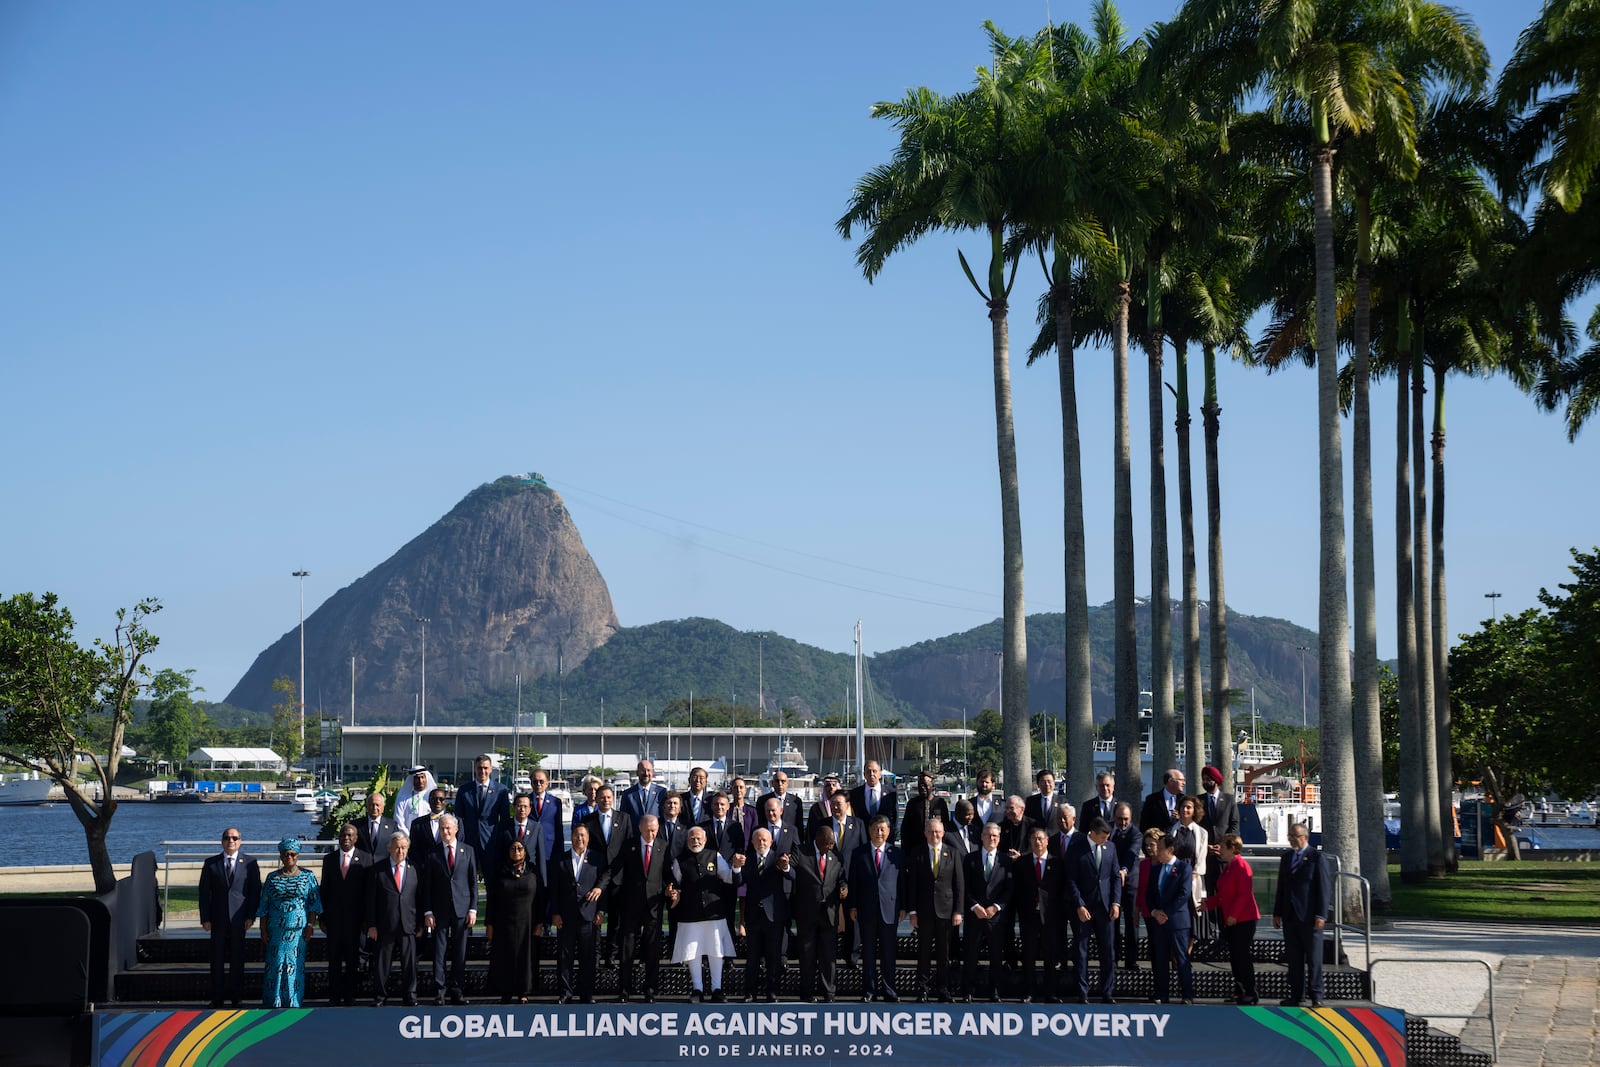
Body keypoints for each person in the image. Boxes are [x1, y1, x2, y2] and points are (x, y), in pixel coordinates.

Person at [670, 826, 736, 1003]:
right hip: (690, 913)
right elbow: (675, 883)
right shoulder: (679, 860)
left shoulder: (715, 856)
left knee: (716, 951)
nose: (695, 841)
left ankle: (717, 989)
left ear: (705, 840)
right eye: (692, 838)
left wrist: (736, 867)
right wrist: (673, 892)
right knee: (693, 952)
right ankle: (697, 989)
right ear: (687, 840)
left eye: (698, 838)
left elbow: (728, 877)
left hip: (714, 914)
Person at [198, 826, 261, 1008]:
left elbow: (254, 892)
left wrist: (251, 916)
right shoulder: (211, 863)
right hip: (217, 920)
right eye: (227, 838)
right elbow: (204, 892)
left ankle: (236, 997)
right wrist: (205, 918)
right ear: (222, 841)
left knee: (237, 959)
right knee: (216, 960)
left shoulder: (250, 863)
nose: (230, 841)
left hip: (240, 920)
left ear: (240, 841)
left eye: (234, 838)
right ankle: (217, 997)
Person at [257, 836, 322, 1008]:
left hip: (298, 931)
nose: (289, 858)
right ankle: (274, 1000)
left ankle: (293, 1001)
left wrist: (310, 926)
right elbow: (264, 904)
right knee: (276, 964)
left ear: (298, 855)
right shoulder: (272, 878)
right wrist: (263, 929)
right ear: (280, 856)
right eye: (285, 854)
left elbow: (314, 904)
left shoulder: (308, 876)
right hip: (276, 930)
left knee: (295, 965)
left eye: (293, 854)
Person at [423, 814, 479, 1005]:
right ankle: (439, 991)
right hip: (439, 911)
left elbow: (473, 883)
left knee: (460, 952)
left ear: (456, 829)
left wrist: (473, 909)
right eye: (441, 828)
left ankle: (457, 990)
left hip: (462, 909)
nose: (445, 832)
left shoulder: (468, 851)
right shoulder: (432, 853)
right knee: (439, 952)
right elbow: (427, 885)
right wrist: (428, 911)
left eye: (448, 828)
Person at [848, 814, 904, 1002]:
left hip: (890, 910)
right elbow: (853, 881)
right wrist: (853, 905)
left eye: (882, 829)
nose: (879, 833)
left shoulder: (897, 854)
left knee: (889, 954)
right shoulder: (859, 853)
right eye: (875, 829)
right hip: (866, 910)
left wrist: (903, 907)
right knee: (869, 953)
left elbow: (902, 882)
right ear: (869, 830)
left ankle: (889, 989)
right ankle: (869, 990)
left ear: (888, 831)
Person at [1273, 822, 1329, 1008]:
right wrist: (1277, 912)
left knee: (1313, 958)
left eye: (1294, 835)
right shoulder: (1286, 857)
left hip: (1310, 916)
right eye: (1290, 835)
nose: (1291, 839)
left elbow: (1323, 888)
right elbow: (1281, 887)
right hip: (1290, 916)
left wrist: (1321, 914)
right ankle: (1297, 995)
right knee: (1294, 958)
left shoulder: (1316, 857)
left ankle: (1317, 995)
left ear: (1305, 837)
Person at [618, 814, 672, 1003]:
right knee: (627, 950)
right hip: (631, 905)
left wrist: (671, 887)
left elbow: (667, 873)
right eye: (648, 830)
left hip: (653, 907)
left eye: (654, 830)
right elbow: (617, 871)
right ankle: (624, 989)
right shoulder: (629, 846)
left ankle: (650, 989)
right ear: (640, 828)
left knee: (652, 950)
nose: (651, 834)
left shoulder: (663, 846)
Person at [907, 820, 964, 1002]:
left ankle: (943, 989)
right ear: (925, 833)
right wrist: (912, 912)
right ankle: (922, 990)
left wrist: (958, 911)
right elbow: (912, 885)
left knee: (944, 955)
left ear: (943, 832)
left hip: (946, 912)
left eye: (938, 831)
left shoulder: (953, 853)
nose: (935, 835)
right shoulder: (917, 853)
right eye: (931, 832)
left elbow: (959, 885)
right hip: (923, 912)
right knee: (923, 953)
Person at [736, 826, 793, 1002]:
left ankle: (772, 991)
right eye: (758, 840)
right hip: (754, 916)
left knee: (773, 958)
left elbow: (792, 876)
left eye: (764, 840)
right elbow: (737, 881)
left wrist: (786, 867)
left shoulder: (779, 858)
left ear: (771, 842)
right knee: (752, 958)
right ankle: (750, 992)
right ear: (752, 842)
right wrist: (736, 868)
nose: (761, 843)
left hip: (774, 916)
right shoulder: (748, 859)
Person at [366, 831, 424, 1007]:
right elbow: (370, 900)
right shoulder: (378, 869)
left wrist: (420, 923)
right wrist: (372, 925)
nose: (401, 851)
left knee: (409, 964)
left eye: (404, 848)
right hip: (385, 924)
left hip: (409, 924)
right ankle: (381, 996)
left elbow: (420, 897)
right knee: (383, 964)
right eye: (397, 847)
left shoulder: (414, 868)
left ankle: (410, 995)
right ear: (389, 848)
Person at [1066, 817, 1120, 1004]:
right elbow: (1071, 880)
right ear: (1092, 833)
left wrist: (1116, 903)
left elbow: (1115, 877)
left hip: (1105, 908)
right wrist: (1079, 905)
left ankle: (1107, 992)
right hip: (1084, 908)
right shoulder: (1076, 848)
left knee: (1108, 951)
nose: (1106, 839)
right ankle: (1082, 992)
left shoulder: (1111, 848)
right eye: (1103, 836)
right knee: (1081, 951)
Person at [791, 824, 846, 1002]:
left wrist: (844, 888)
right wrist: (784, 866)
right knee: (807, 955)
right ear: (818, 839)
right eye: (828, 844)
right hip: (807, 913)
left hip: (829, 914)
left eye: (832, 844)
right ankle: (806, 993)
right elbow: (790, 871)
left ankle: (829, 993)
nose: (830, 847)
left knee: (828, 956)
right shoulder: (801, 851)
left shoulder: (836, 856)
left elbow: (841, 879)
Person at [1202, 833, 1260, 1005]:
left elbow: (1244, 894)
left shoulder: (1241, 866)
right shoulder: (1228, 867)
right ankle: (1239, 990)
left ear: (1232, 848)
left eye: (1223, 846)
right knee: (1235, 956)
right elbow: (1223, 894)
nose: (1220, 849)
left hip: (1244, 918)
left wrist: (1234, 914)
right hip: (1232, 919)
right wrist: (1208, 904)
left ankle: (1250, 991)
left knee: (1242, 956)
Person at [551, 822, 604, 1004]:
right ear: (571, 837)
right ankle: (565, 993)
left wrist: (601, 910)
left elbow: (602, 886)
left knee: (587, 957)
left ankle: (586, 993)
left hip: (588, 915)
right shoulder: (560, 859)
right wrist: (555, 912)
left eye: (582, 835)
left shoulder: (597, 859)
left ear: (588, 838)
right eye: (576, 835)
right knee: (565, 957)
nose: (579, 838)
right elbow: (554, 889)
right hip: (565, 917)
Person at [579, 785, 633, 964]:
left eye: (609, 797)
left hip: (619, 877)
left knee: (616, 920)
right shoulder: (588, 820)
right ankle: (594, 956)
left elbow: (628, 847)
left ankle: (611, 956)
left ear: (613, 798)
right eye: (602, 797)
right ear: (596, 798)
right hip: (595, 877)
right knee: (595, 918)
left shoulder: (624, 818)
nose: (605, 800)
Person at [486, 839, 544, 1004]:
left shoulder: (533, 871)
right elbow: (492, 900)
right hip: (504, 924)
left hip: (528, 923)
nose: (516, 851)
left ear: (525, 851)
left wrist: (540, 923)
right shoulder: (500, 872)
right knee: (505, 958)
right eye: (513, 848)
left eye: (520, 848)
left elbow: (540, 898)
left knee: (525, 959)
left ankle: (523, 992)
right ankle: (506, 991)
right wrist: (489, 924)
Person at [318, 822, 369, 1005]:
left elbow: (367, 893)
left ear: (356, 838)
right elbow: (324, 890)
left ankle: (349, 996)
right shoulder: (329, 859)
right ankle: (334, 996)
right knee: (334, 960)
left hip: (356, 922)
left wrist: (366, 919)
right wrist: (322, 917)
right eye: (343, 835)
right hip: (334, 920)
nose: (345, 838)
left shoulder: (365, 859)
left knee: (352, 960)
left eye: (349, 835)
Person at [1013, 827, 1064, 1002]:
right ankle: (1029, 991)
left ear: (1047, 841)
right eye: (1034, 838)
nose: (1037, 842)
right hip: (1029, 917)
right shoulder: (1022, 863)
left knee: (1050, 957)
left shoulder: (1057, 863)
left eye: (1041, 838)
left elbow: (1060, 891)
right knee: (1029, 956)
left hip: (1050, 917)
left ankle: (1050, 992)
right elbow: (1016, 891)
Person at [962, 821, 1010, 1003]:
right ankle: (967, 991)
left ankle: (995, 991)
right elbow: (963, 886)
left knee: (996, 956)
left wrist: (996, 907)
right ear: (982, 837)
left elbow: (1009, 889)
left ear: (999, 839)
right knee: (971, 954)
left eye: (995, 836)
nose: (991, 838)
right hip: (975, 915)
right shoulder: (970, 859)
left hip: (995, 917)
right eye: (988, 835)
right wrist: (974, 906)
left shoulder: (1005, 860)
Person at [1146, 831, 1195, 1005]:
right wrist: (1154, 912)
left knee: (1181, 958)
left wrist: (1165, 913)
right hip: (1159, 921)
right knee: (1160, 958)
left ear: (1171, 849)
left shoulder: (1184, 868)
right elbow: (1149, 894)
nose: (1156, 851)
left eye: (1160, 848)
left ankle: (1187, 995)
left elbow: (1183, 895)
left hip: (1176, 921)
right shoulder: (1156, 868)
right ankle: (1162, 993)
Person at [456, 754, 509, 867]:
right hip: (469, 841)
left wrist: (501, 841)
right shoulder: (464, 790)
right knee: (469, 878)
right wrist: (460, 840)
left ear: (490, 769)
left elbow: (505, 819)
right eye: (479, 768)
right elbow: (458, 817)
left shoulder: (501, 791)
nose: (482, 771)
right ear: (475, 769)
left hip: (491, 841)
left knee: (492, 879)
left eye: (485, 768)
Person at [1109, 802, 1143, 971]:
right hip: (1110, 882)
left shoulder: (1135, 833)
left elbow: (1132, 853)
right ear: (1113, 817)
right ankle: (1113, 958)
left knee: (1131, 921)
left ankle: (1131, 960)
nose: (1122, 823)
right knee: (1112, 920)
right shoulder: (1107, 829)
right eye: (1119, 819)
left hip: (1129, 882)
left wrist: (1123, 870)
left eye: (1126, 819)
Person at [1171, 795, 1210, 938]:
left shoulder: (1202, 833)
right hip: (1174, 877)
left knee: (1193, 916)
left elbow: (1201, 858)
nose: (1185, 810)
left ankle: (1186, 956)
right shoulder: (1172, 831)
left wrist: (1194, 874)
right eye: (1183, 807)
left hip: (1193, 877)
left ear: (1194, 811)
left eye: (1189, 807)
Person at [492, 793, 547, 883]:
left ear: (530, 809)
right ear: (514, 807)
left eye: (525, 806)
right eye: (519, 806)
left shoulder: (536, 828)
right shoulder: (503, 827)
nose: (522, 809)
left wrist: (543, 882)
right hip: (508, 876)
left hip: (529, 875)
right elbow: (498, 854)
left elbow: (540, 856)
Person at [901, 770, 950, 864]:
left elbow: (946, 827)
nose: (922, 788)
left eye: (925, 785)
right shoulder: (912, 804)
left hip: (935, 849)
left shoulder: (940, 803)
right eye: (920, 785)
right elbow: (905, 829)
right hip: (916, 850)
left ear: (932, 786)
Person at [848, 761, 898, 841]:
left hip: (884, 840)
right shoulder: (855, 794)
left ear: (880, 774)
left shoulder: (891, 793)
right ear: (864, 774)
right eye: (868, 771)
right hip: (862, 840)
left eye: (874, 771)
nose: (871, 774)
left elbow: (895, 818)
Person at [408, 785, 450, 869]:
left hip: (448, 869)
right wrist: (422, 866)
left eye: (441, 799)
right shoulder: (417, 824)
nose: (437, 801)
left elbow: (458, 844)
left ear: (445, 802)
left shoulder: (456, 822)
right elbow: (413, 850)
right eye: (434, 799)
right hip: (425, 871)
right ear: (429, 801)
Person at [527, 769, 562, 865]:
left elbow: (558, 828)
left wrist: (560, 851)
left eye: (541, 781)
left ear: (547, 783)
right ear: (531, 783)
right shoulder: (526, 801)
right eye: (535, 781)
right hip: (529, 848)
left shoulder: (556, 802)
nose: (538, 784)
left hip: (549, 849)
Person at [619, 758, 667, 827]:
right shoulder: (627, 794)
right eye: (643, 770)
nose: (646, 773)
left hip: (655, 834)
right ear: (637, 772)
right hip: (635, 835)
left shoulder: (661, 792)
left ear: (652, 772)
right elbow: (624, 818)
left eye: (648, 770)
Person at [355, 791, 398, 865]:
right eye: (372, 805)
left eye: (377, 805)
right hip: (362, 868)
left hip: (383, 869)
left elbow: (395, 846)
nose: (375, 808)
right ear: (367, 807)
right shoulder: (356, 825)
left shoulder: (392, 825)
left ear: (383, 807)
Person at [1140, 768, 1188, 833]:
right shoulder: (1152, 799)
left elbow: (1191, 822)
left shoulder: (1184, 799)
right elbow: (1144, 824)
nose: (1184, 783)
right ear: (1170, 781)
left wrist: (1180, 818)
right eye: (1181, 780)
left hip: (1179, 840)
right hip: (1158, 840)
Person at [757, 771, 804, 835]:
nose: (780, 784)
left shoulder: (795, 802)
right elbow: (759, 822)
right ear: (772, 783)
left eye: (783, 781)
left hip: (789, 840)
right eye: (777, 781)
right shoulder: (763, 801)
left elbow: (799, 825)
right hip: (768, 838)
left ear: (787, 783)